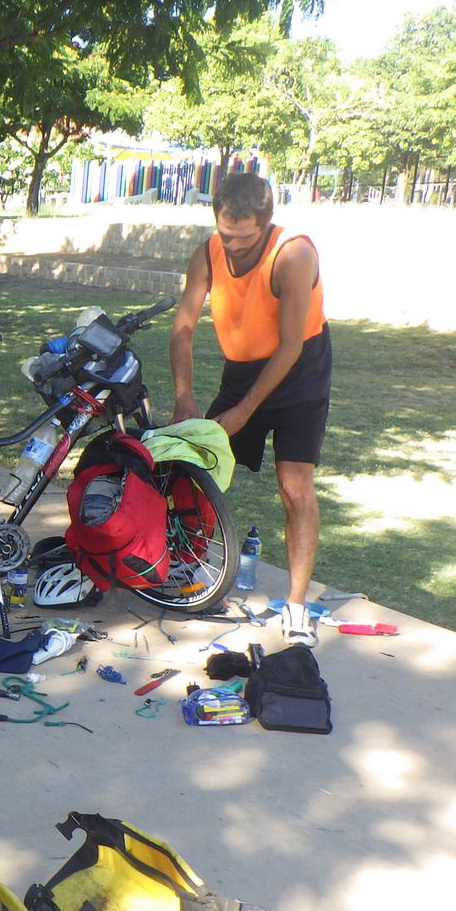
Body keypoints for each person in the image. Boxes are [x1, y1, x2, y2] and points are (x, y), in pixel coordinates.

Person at [169, 172, 331, 648]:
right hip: (242, 370)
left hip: (300, 372)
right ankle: (193, 571)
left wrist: (244, 411)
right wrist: (183, 395)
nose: (234, 247)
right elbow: (183, 328)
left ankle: (296, 606)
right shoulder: (207, 253)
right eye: (226, 235)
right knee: (195, 467)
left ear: (267, 222)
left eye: (245, 238)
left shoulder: (293, 254)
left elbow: (290, 346)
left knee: (294, 487)